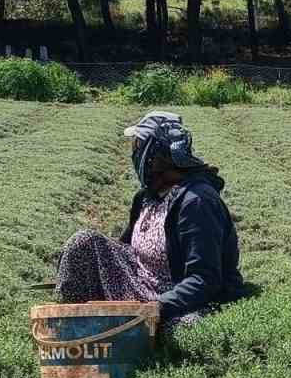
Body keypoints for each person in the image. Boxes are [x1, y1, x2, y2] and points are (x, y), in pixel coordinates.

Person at [55, 111, 245, 330]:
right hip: (140, 286)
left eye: (138, 146)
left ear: (155, 157)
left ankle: (125, 333)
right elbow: (125, 250)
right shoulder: (147, 197)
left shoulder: (197, 203)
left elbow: (205, 279)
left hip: (176, 300)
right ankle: (73, 327)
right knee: (83, 242)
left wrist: (155, 308)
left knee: (184, 329)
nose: (134, 152)